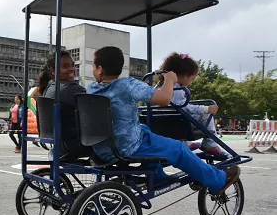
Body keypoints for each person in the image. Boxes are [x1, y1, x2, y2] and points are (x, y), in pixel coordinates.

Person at [86, 46, 240, 195]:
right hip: (127, 146)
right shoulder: (127, 85)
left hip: (103, 148)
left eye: (93, 65)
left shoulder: (92, 88)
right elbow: (165, 99)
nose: (93, 69)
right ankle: (218, 180)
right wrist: (170, 80)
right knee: (179, 149)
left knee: (145, 130)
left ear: (100, 69)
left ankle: (157, 175)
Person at [160, 52, 231, 159]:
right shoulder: (177, 90)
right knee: (207, 114)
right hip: (178, 125)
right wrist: (205, 109)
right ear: (185, 76)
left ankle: (185, 143)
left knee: (177, 118)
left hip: (162, 124)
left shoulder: (160, 88)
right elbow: (184, 108)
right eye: (192, 79)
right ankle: (209, 143)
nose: (191, 82)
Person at [39, 51, 90, 160]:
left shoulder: (50, 88)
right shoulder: (71, 89)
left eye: (72, 65)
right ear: (53, 71)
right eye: (65, 66)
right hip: (75, 145)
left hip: (61, 145)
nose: (72, 69)